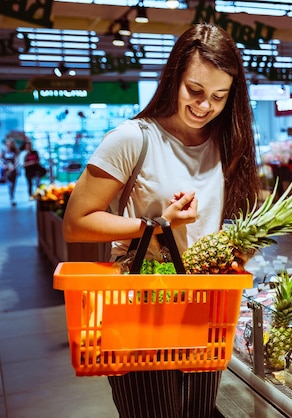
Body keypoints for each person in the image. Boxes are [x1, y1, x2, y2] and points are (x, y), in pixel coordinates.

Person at [62, 23, 261, 418]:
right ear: (173, 79)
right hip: (142, 309)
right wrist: (152, 228)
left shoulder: (229, 143)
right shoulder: (133, 138)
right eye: (196, 91)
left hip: (205, 311)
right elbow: (76, 221)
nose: (206, 106)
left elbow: (234, 221)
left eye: (220, 96)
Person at [1, 139, 19, 206]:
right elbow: (1, 160)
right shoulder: (4, 151)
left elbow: (17, 161)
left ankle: (12, 195)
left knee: (13, 184)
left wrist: (13, 167)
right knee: (10, 184)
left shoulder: (14, 152)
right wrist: (4, 166)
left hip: (13, 170)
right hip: (6, 171)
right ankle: (12, 197)